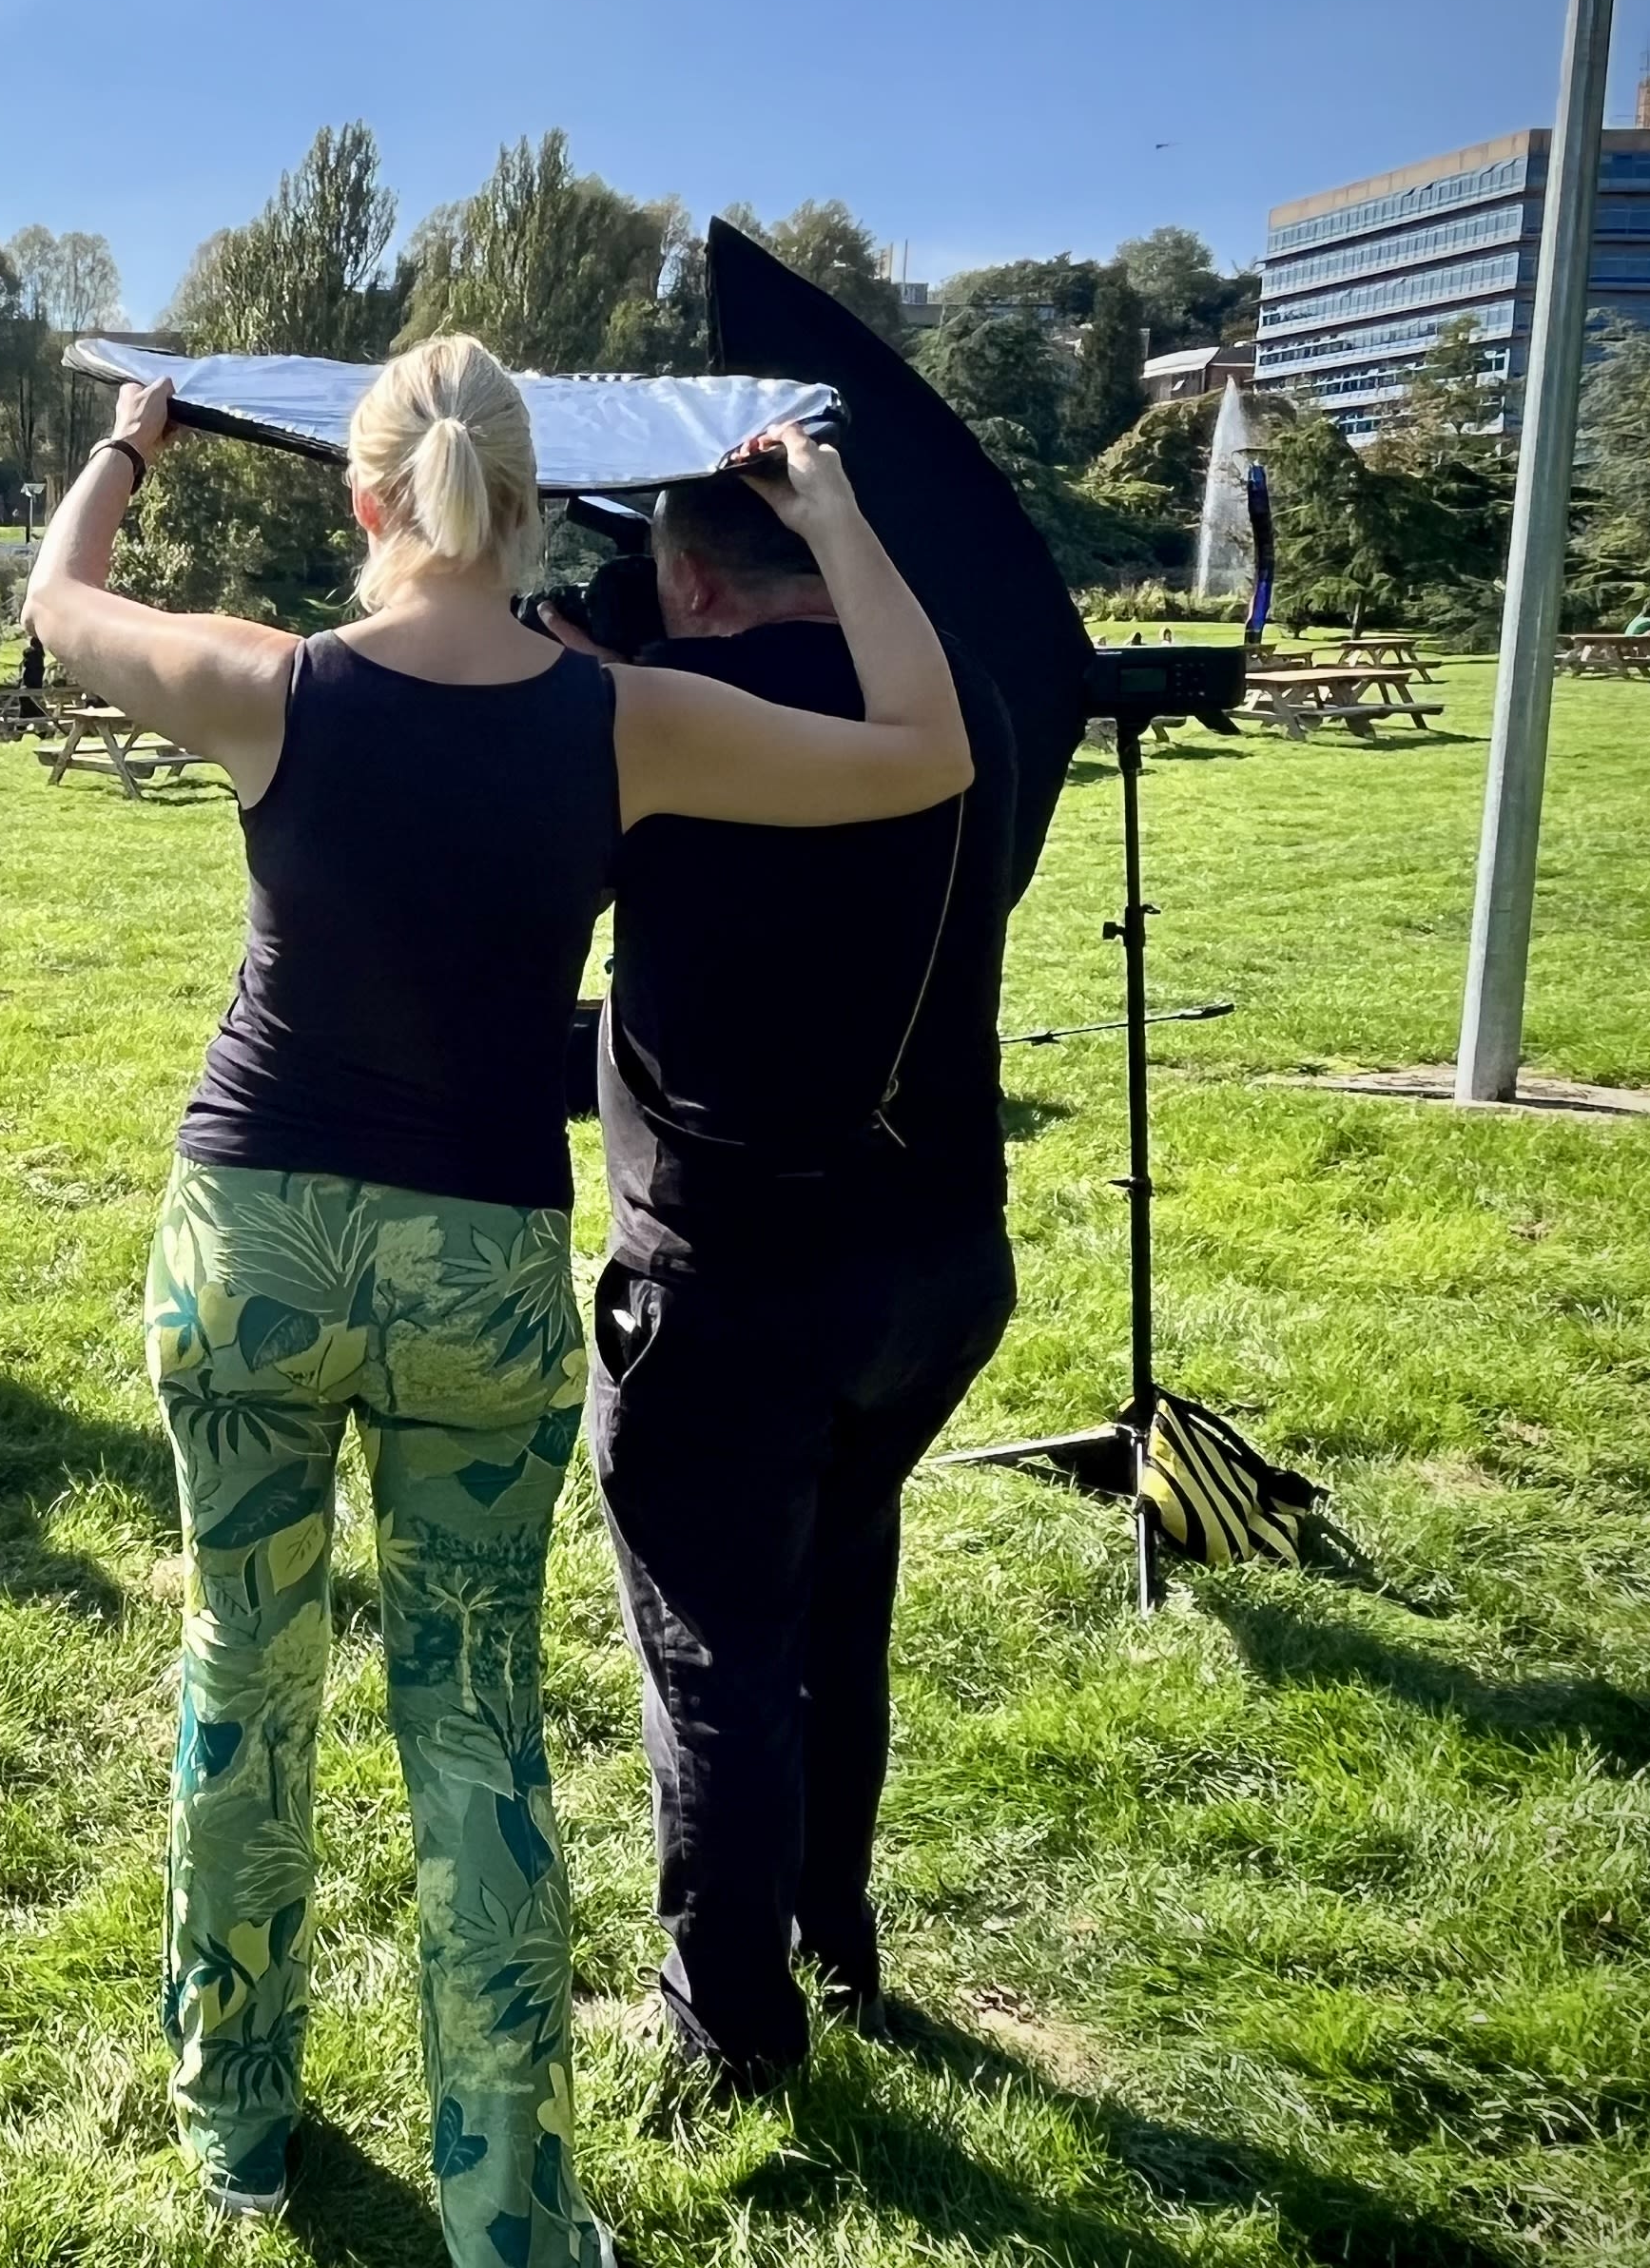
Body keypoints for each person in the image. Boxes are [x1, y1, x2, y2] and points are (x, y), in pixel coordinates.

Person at [27, 347, 969, 2254]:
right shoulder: (623, 719)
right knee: (470, 1734)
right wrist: (834, 511)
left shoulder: (267, 681)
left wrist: (128, 445)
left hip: (251, 1247)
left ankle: (236, 2124)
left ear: (364, 501)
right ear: (535, 509)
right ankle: (511, 2215)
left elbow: (54, 610)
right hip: (470, 1266)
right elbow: (924, 747)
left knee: (242, 1685)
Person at [573, 472, 1021, 2099]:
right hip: (935, 1254)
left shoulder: (666, 712)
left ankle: (729, 2017)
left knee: (713, 1647)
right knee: (838, 1604)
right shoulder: (943, 696)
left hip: (735, 1269)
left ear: (689, 580)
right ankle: (834, 1933)